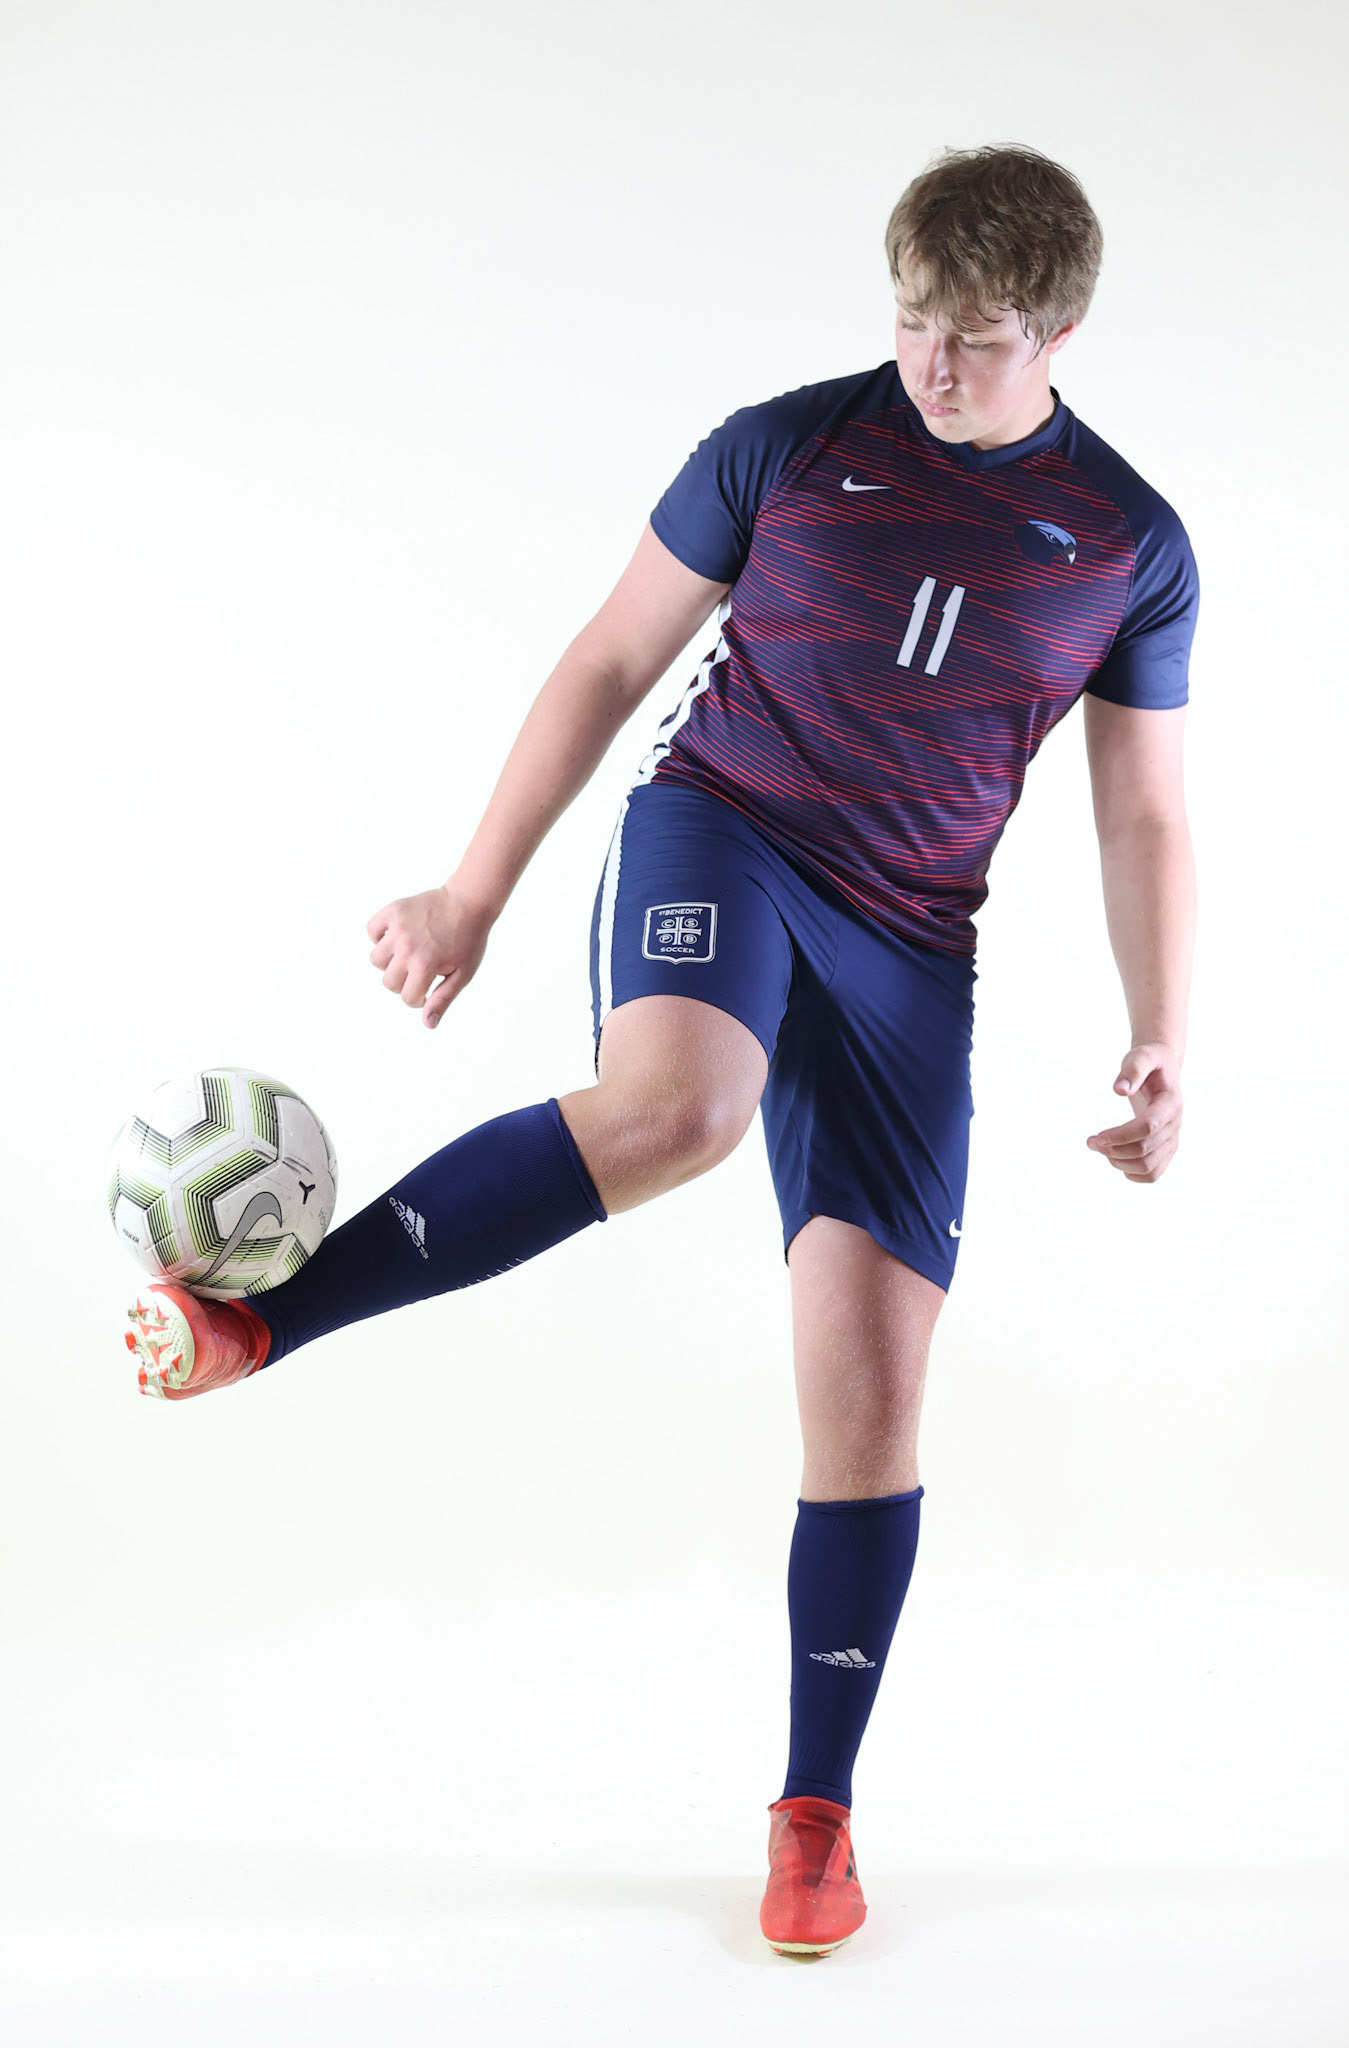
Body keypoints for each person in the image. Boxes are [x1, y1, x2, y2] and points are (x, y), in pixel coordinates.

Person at [122, 143, 1199, 1960]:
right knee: (682, 1108)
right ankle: (255, 1320)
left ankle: (813, 1813)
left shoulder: (1130, 544)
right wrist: (471, 891)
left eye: (980, 337)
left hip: (912, 946)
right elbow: (614, 654)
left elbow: (1144, 817)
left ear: (1063, 328)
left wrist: (1161, 1031)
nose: (936, 367)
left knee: (866, 1383)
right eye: (915, 321)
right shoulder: (786, 445)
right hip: (728, 834)